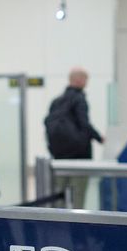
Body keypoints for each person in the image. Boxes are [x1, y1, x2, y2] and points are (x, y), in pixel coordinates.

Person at [46, 67, 103, 207]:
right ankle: (77, 226)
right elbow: (85, 124)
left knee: (58, 194)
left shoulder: (56, 101)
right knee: (78, 193)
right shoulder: (79, 99)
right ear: (79, 80)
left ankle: (57, 224)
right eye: (86, 80)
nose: (86, 83)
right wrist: (99, 138)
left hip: (59, 156)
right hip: (79, 156)